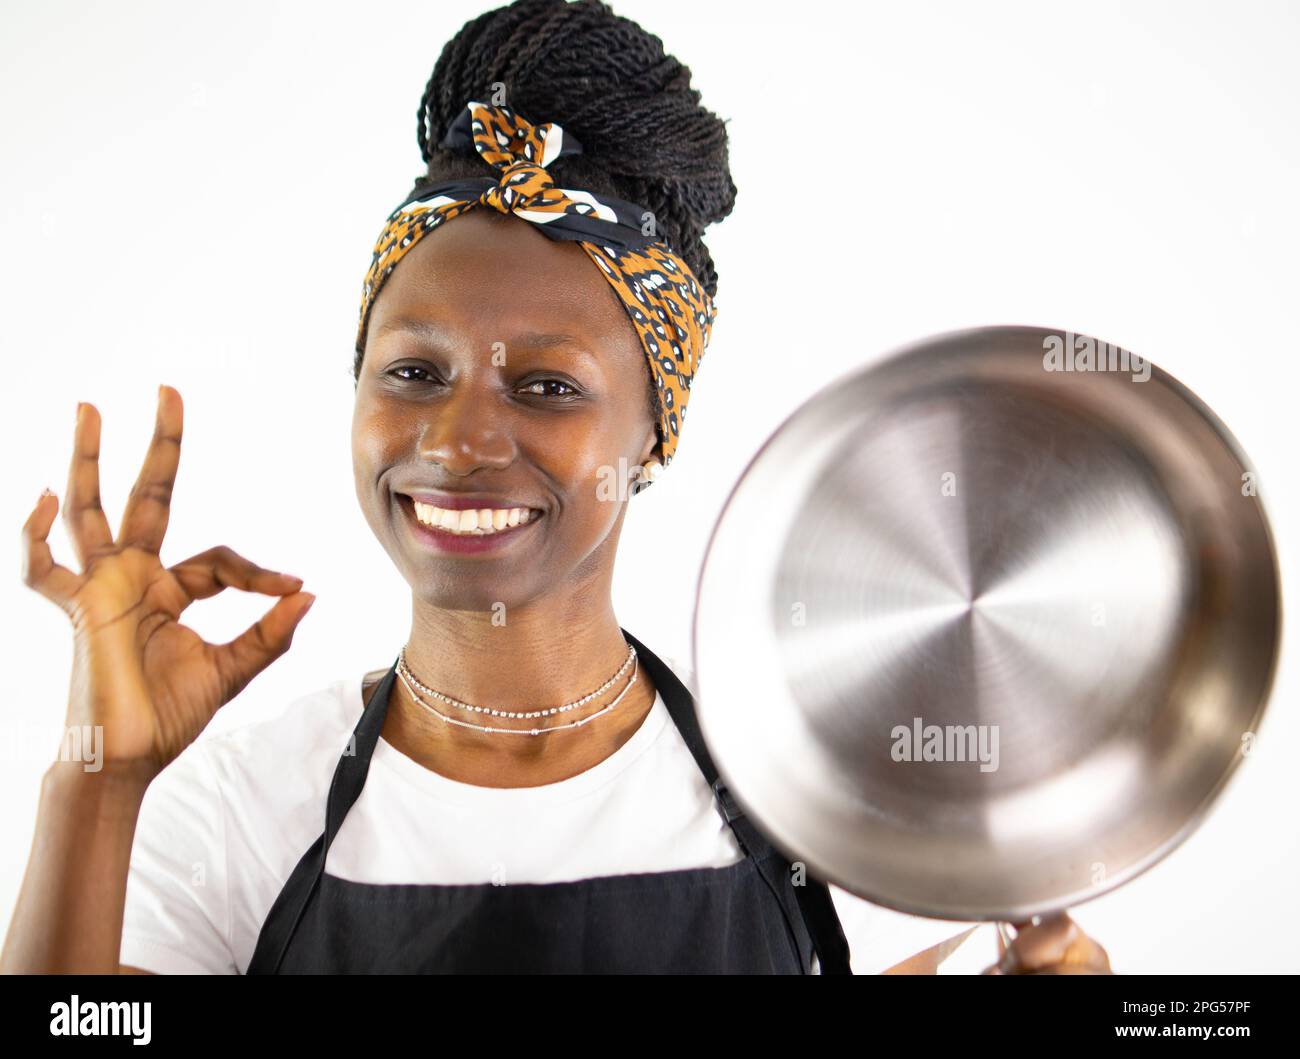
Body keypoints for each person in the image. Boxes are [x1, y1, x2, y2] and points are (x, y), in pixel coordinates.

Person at [3, 0, 1111, 975]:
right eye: (413, 372)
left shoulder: (819, 811)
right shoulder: (241, 813)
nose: (461, 436)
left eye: (544, 385)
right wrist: (96, 789)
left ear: (653, 432)